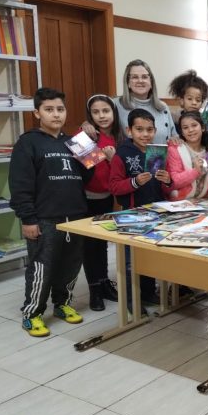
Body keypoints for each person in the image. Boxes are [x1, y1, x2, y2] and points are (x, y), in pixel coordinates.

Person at [9, 88, 92, 337]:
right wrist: (28, 219)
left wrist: (92, 151)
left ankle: (63, 304)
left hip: (76, 215)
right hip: (45, 218)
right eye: (49, 109)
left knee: (71, 264)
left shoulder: (76, 142)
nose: (56, 114)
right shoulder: (28, 142)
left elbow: (89, 177)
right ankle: (32, 313)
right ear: (37, 113)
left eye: (60, 109)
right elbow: (20, 185)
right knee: (41, 268)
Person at [109, 109, 173, 308]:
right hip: (132, 215)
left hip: (156, 212)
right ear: (129, 130)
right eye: (139, 129)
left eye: (149, 130)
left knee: (149, 256)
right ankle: (131, 301)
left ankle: (148, 292)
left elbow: (164, 186)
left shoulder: (158, 152)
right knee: (131, 261)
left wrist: (167, 180)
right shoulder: (122, 154)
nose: (145, 134)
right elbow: (114, 186)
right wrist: (134, 182)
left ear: (155, 131)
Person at [82, 94, 121, 312]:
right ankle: (94, 289)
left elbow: (119, 170)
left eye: (105, 111)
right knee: (90, 246)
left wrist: (112, 159)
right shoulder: (85, 136)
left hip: (107, 197)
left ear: (113, 112)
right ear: (90, 115)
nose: (101, 116)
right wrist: (104, 156)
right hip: (87, 199)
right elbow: (88, 169)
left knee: (102, 243)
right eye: (95, 112)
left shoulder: (119, 136)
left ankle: (104, 283)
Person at [114, 59, 176, 144]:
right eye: (135, 77)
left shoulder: (163, 107)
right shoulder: (115, 105)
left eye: (144, 77)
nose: (140, 81)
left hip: (162, 153)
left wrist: (175, 140)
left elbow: (174, 136)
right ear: (128, 82)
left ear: (151, 82)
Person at [166, 111, 208, 201]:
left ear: (203, 128)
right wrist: (195, 171)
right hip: (179, 202)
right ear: (182, 132)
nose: (190, 130)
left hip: (202, 203)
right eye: (185, 127)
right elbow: (174, 182)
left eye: (194, 125)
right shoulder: (175, 149)